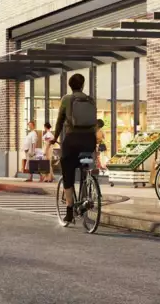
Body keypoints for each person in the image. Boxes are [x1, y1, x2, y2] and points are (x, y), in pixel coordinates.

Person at [53, 74, 99, 225]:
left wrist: (55, 137)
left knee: (68, 170)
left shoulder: (67, 99)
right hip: (89, 142)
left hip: (72, 141)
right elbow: (94, 123)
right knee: (85, 163)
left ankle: (69, 210)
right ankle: (87, 183)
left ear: (70, 85)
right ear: (83, 85)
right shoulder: (91, 100)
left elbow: (60, 122)